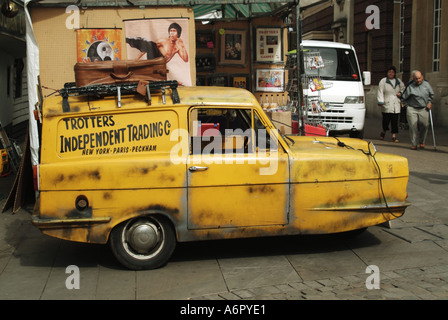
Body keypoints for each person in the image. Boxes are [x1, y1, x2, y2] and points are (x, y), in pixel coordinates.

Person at [399, 70, 435, 150]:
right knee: (413, 126)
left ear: (422, 77)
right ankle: (414, 143)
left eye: (419, 78)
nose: (418, 80)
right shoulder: (410, 86)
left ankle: (422, 141)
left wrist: (429, 103)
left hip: (424, 108)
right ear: (413, 79)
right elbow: (403, 98)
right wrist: (407, 106)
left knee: (425, 125)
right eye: (416, 79)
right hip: (412, 108)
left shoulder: (426, 85)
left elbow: (431, 95)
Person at [377, 66, 405, 142]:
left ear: (395, 73)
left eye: (392, 72)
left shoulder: (398, 81)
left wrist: (400, 93)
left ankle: (394, 135)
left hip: (396, 103)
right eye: (389, 72)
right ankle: (383, 131)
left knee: (395, 120)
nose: (391, 74)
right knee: (386, 120)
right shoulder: (383, 81)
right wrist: (380, 101)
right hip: (387, 103)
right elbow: (380, 91)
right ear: (387, 73)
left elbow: (403, 88)